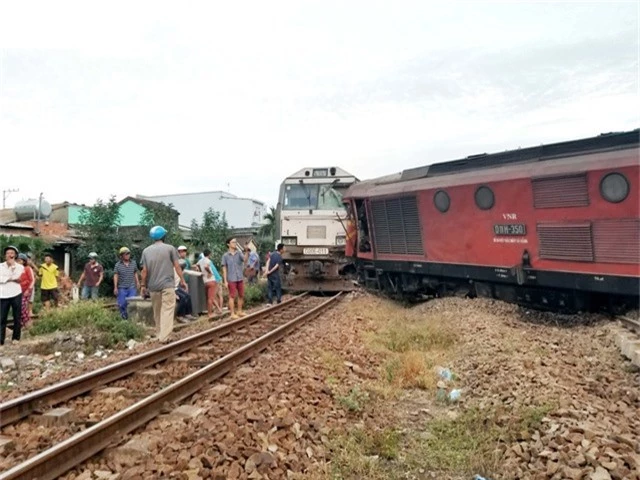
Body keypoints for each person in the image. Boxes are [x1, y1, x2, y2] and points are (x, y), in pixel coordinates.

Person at [140, 225, 187, 342]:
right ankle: (164, 337)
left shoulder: (146, 251)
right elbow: (177, 266)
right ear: (164, 236)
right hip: (167, 285)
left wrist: (142, 286)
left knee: (157, 311)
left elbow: (144, 271)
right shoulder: (170, 248)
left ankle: (159, 333)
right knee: (167, 309)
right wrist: (183, 280)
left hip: (153, 286)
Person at [0, 246, 24, 345]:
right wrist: (11, 279)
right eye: (8, 253)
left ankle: (16, 338)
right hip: (3, 294)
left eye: (12, 253)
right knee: (2, 318)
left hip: (16, 293)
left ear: (15, 255)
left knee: (17, 316)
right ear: (5, 255)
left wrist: (12, 268)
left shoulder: (20, 267)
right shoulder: (0, 266)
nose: (10, 255)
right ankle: (1, 339)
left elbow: (18, 278)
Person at [221, 238, 249, 319]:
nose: (235, 243)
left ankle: (239, 311)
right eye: (233, 242)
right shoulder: (225, 256)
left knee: (241, 295)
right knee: (232, 296)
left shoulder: (239, 253)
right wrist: (225, 281)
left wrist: (246, 250)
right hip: (231, 278)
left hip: (239, 277)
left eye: (235, 242)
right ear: (228, 244)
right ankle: (232, 313)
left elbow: (245, 260)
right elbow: (224, 269)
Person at [113, 247, 140, 320]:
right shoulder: (118, 265)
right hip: (122, 287)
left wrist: (137, 282)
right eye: (126, 254)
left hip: (132, 287)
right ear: (121, 256)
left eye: (128, 253)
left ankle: (131, 318)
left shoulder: (133, 263)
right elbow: (116, 275)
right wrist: (115, 287)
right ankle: (123, 318)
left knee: (132, 303)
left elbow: (135, 273)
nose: (128, 255)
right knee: (122, 304)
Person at [197, 250, 223, 318]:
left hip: (205, 281)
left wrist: (201, 271)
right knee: (211, 298)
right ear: (209, 254)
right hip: (211, 280)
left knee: (208, 298)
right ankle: (210, 314)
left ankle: (215, 310)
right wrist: (210, 272)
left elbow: (197, 266)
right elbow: (206, 267)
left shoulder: (200, 261)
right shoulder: (208, 260)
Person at [17, 253, 35, 327]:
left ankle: (27, 321)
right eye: (17, 260)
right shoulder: (16, 269)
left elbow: (32, 280)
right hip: (18, 291)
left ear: (24, 261)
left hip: (27, 290)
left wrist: (29, 289)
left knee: (22, 306)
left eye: (20, 260)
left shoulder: (27, 268)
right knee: (18, 307)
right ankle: (21, 323)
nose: (18, 262)